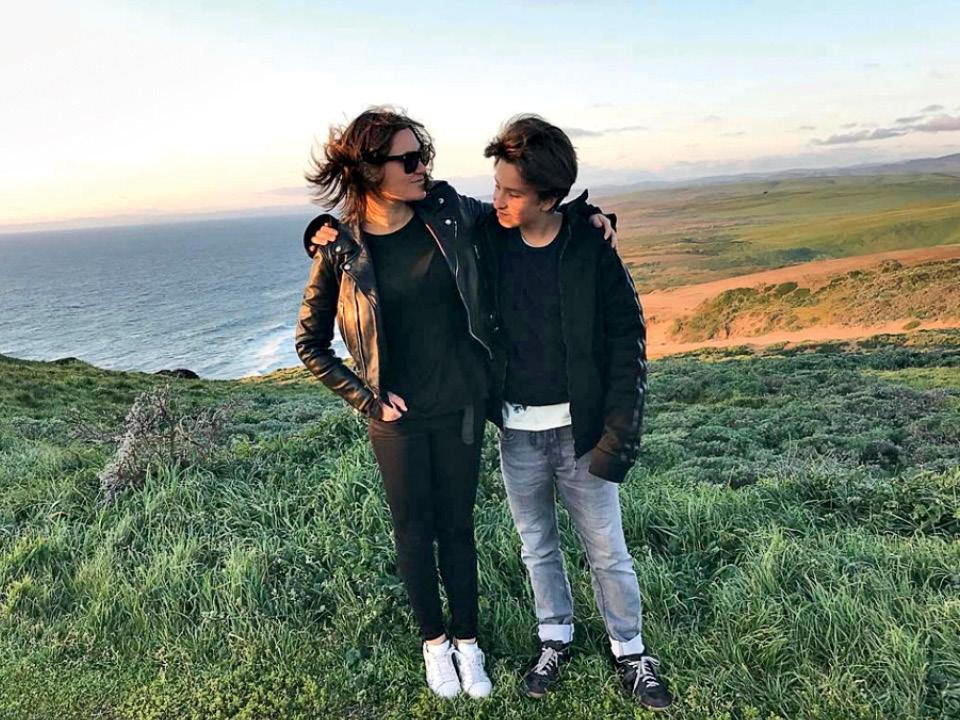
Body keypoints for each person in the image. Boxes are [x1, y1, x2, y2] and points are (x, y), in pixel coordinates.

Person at [295, 107, 614, 699]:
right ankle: (434, 643)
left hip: (462, 401)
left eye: (424, 155)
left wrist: (588, 215)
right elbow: (309, 344)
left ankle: (469, 642)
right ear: (370, 169)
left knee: (458, 528)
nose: (423, 168)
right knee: (414, 531)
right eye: (409, 159)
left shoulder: (448, 212)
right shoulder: (341, 247)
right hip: (396, 418)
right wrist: (367, 399)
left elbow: (522, 210)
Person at [481, 115, 673, 710]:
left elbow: (627, 340)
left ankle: (631, 651)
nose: (498, 201)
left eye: (512, 193)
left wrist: (619, 435)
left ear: (550, 197)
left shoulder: (591, 246)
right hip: (517, 433)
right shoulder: (488, 237)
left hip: (581, 431)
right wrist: (323, 229)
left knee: (607, 548)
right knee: (536, 544)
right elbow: (423, 214)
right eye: (496, 186)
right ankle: (555, 636)